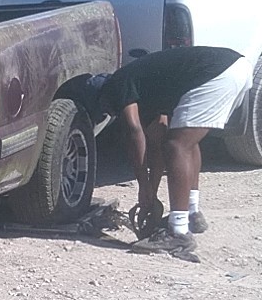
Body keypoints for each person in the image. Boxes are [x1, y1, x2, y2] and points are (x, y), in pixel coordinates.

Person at [89, 46, 254, 256]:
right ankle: (191, 214)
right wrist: (151, 194)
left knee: (178, 146)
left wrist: (143, 190)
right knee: (185, 142)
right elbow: (158, 144)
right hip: (235, 67)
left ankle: (178, 233)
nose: (108, 114)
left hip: (217, 72)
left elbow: (134, 132)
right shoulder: (146, 91)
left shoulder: (118, 83)